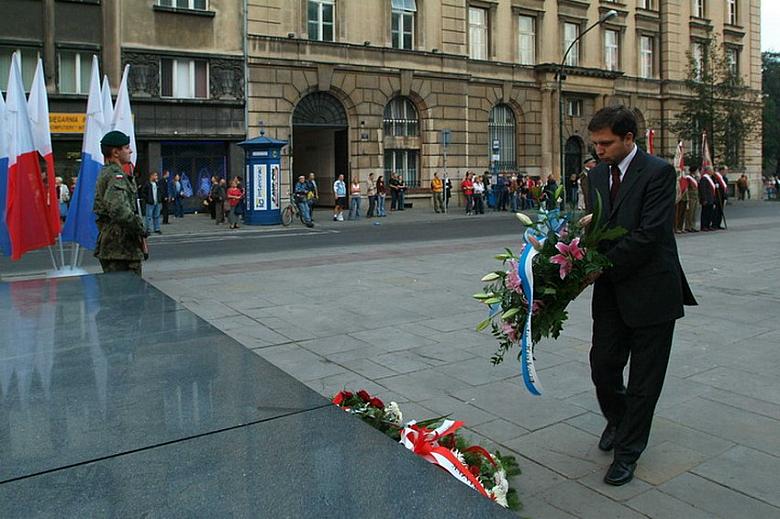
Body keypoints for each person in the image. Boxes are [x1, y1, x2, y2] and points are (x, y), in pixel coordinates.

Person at [584, 106, 696, 486]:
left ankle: (628, 452)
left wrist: (601, 265)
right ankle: (618, 419)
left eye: (605, 143)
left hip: (652, 290)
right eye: (595, 143)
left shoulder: (659, 172)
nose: (598, 150)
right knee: (603, 366)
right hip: (611, 292)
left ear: (629, 139)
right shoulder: (596, 175)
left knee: (645, 381)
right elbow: (602, 224)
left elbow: (650, 234)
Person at [93, 130, 147, 276]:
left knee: (117, 294)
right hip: (120, 248)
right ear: (116, 152)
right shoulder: (115, 176)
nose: (130, 150)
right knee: (127, 295)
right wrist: (140, 227)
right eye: (126, 147)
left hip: (115, 246)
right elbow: (118, 209)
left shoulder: (108, 172)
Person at [683, 168, 699, 232]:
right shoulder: (688, 178)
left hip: (695, 197)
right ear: (694, 171)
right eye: (697, 171)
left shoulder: (695, 178)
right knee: (690, 213)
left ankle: (693, 226)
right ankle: (688, 226)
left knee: (694, 213)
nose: (698, 172)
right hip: (691, 197)